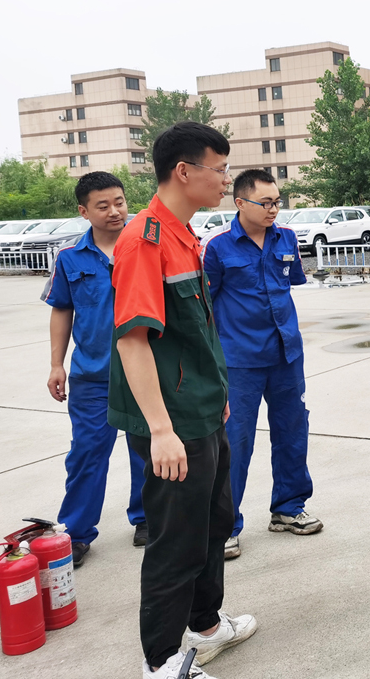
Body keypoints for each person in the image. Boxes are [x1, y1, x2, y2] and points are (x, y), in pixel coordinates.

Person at [109, 122, 256, 679]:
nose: (225, 179)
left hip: (201, 409)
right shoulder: (144, 237)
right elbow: (132, 339)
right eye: (219, 169)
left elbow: (195, 333)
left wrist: (214, 394)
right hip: (171, 420)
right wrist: (162, 429)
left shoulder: (185, 234)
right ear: (184, 171)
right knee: (176, 541)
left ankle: (205, 624)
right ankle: (162, 661)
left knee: (215, 523)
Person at [202, 168, 320, 562]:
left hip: (286, 355)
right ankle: (225, 527)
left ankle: (288, 507)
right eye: (265, 203)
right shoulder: (217, 248)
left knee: (292, 430)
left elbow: (290, 285)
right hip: (239, 361)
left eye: (277, 202)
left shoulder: (286, 237)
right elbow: (206, 307)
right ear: (239, 203)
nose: (273, 209)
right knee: (235, 442)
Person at [42, 171, 146, 566]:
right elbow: (62, 310)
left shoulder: (145, 249)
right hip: (92, 376)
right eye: (103, 205)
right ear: (84, 211)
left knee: (147, 450)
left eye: (119, 201)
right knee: (86, 453)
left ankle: (147, 519)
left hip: (143, 372)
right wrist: (56, 364)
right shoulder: (69, 259)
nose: (115, 211)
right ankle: (77, 532)